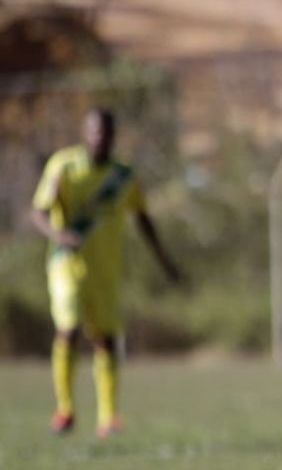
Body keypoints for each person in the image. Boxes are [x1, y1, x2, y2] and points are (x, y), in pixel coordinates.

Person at [30, 107, 183, 438]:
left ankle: (108, 417)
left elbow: (143, 219)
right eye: (95, 131)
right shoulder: (63, 167)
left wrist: (165, 261)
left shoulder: (123, 176)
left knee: (106, 340)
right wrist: (58, 235)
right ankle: (65, 410)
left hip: (106, 271)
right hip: (66, 264)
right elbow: (38, 211)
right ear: (84, 133)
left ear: (114, 137)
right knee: (69, 329)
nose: (101, 138)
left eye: (107, 132)